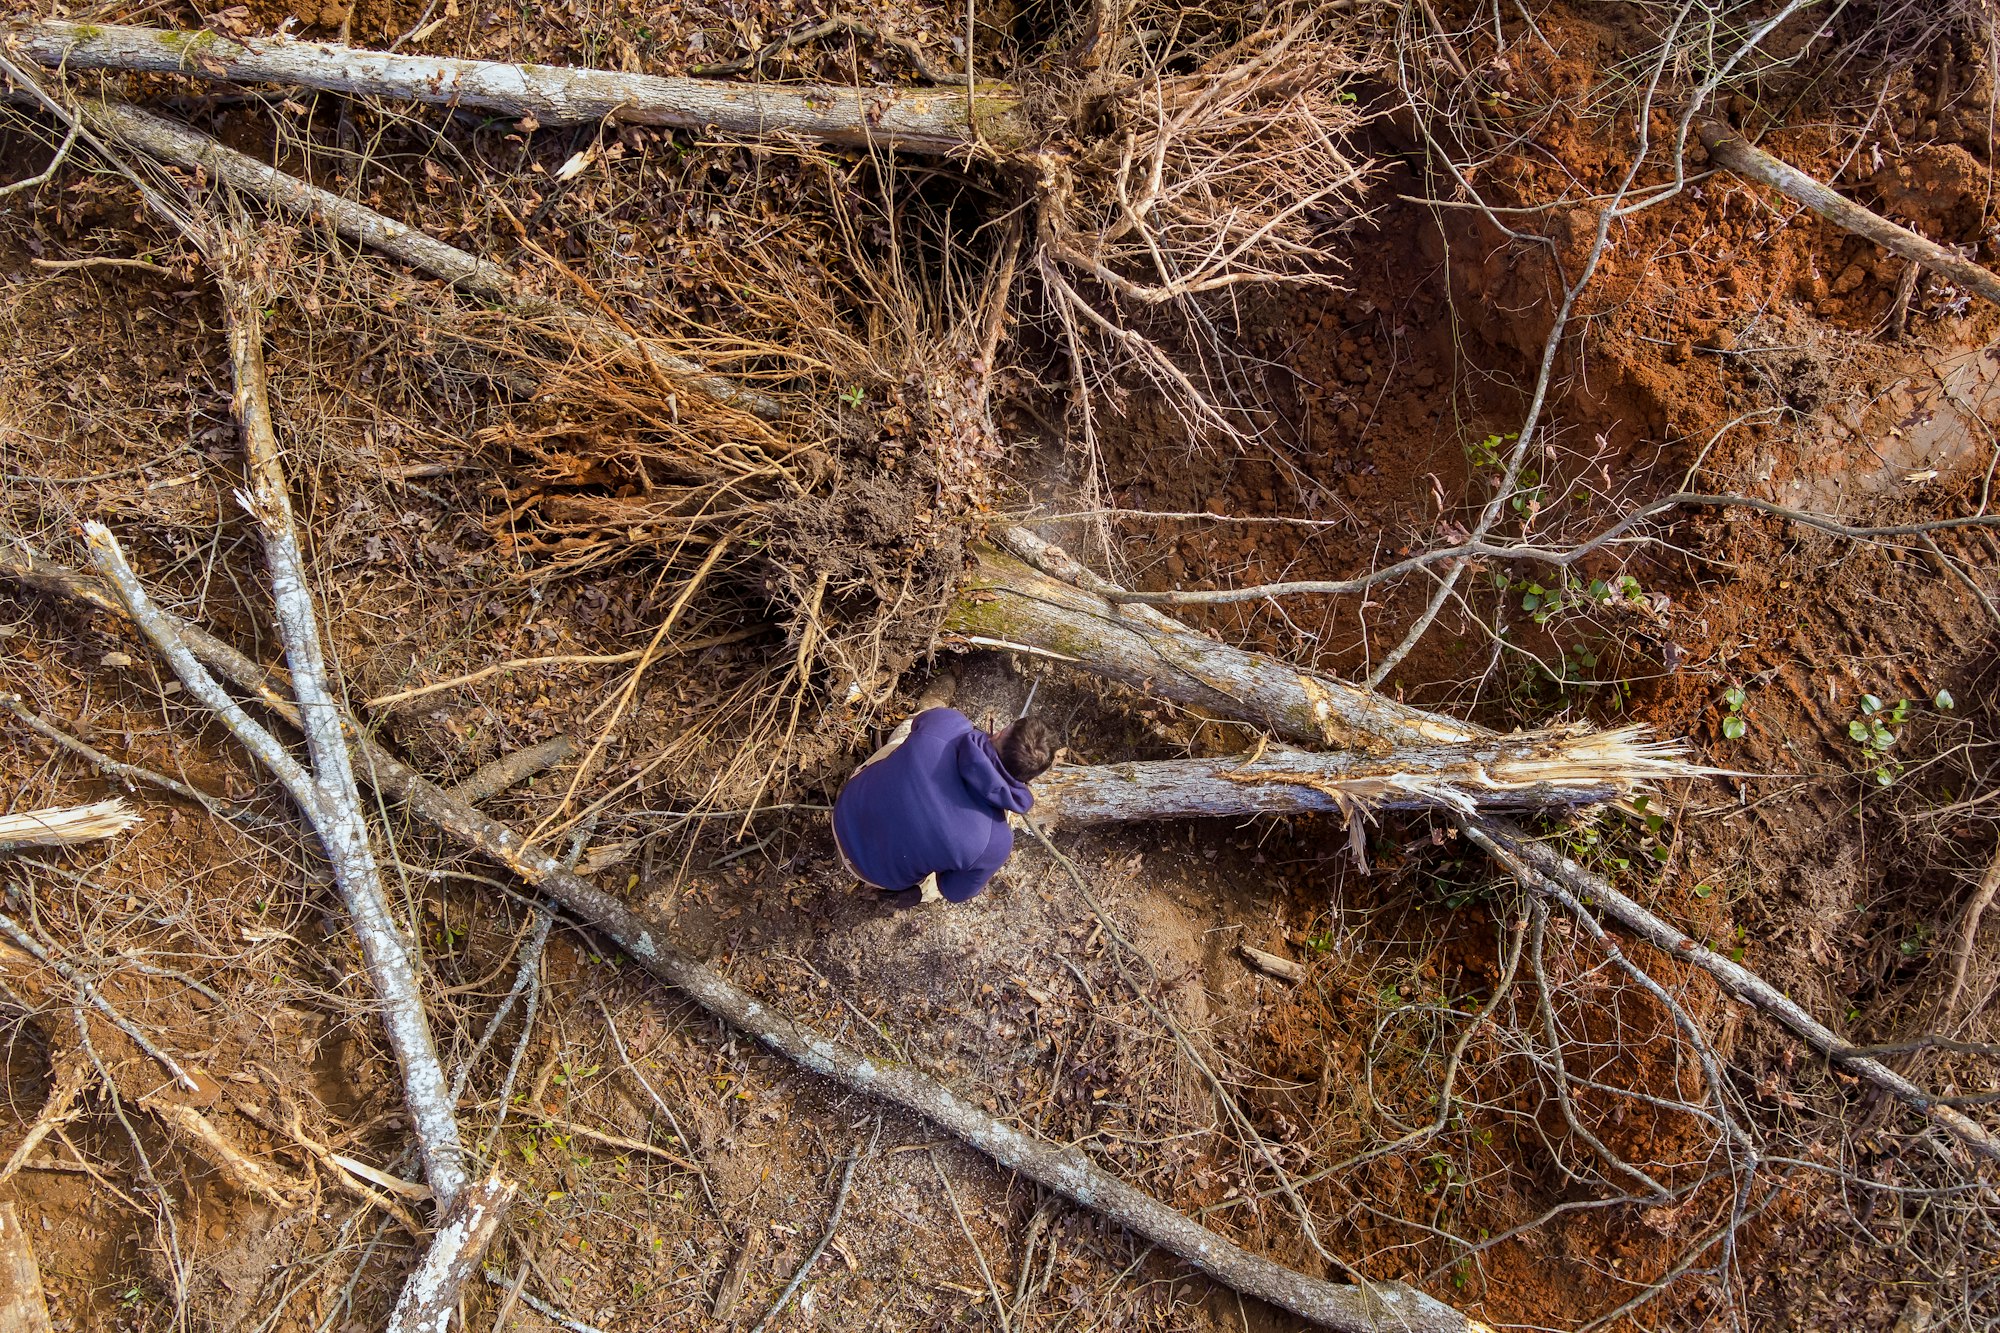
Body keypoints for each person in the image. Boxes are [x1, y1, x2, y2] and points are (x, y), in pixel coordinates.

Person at [832, 708, 1057, 908]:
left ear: (1000, 733)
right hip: (873, 874)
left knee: (906, 740)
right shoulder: (995, 843)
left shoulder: (947, 723)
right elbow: (953, 892)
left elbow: (920, 719)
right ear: (1027, 779)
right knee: (952, 873)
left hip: (843, 813)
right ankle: (914, 895)